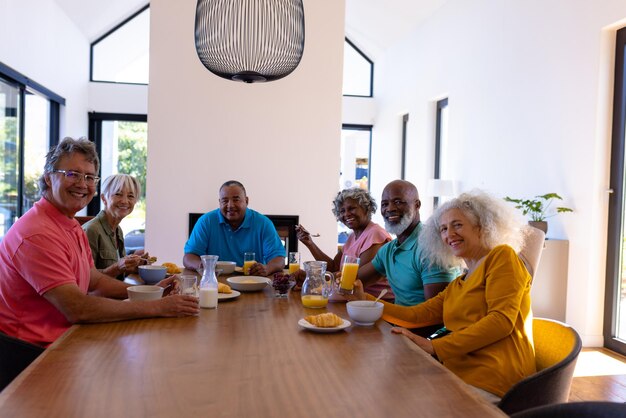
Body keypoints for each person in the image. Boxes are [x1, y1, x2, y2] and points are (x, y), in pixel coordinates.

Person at [0, 137, 199, 348]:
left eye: (89, 177)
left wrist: (150, 293)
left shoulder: (70, 224)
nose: (82, 184)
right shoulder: (36, 233)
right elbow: (77, 308)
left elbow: (94, 280)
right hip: (33, 353)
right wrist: (158, 307)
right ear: (49, 178)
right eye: (72, 174)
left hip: (68, 337)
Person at [353, 190, 536, 401]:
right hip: (457, 373)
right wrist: (363, 300)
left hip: (494, 379)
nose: (449, 234)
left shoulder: (502, 257)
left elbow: (501, 321)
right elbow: (415, 315)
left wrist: (435, 346)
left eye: (458, 225)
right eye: (443, 229)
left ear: (482, 226)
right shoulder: (460, 281)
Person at [356, 180, 457, 306]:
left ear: (417, 205)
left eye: (398, 202)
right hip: (396, 322)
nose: (390, 208)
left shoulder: (431, 248)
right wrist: (338, 277)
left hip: (420, 324)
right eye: (384, 204)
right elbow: (355, 280)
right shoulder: (388, 249)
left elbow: (434, 313)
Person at [296, 187, 393, 299]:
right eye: (342, 211)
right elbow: (333, 267)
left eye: (351, 209)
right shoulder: (353, 236)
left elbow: (354, 280)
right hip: (351, 299)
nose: (346, 214)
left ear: (366, 209)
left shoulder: (376, 235)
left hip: (375, 302)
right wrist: (310, 243)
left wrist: (313, 278)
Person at [183, 180, 285, 276]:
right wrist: (201, 266)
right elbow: (189, 257)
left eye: (236, 200)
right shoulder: (206, 221)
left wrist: (267, 268)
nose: (230, 205)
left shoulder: (263, 223)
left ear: (246, 200)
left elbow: (279, 259)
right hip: (215, 281)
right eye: (225, 201)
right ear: (219, 202)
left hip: (252, 281)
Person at [82, 174, 150, 280]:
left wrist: (134, 266)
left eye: (131, 196)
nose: (125, 201)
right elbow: (86, 278)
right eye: (118, 194)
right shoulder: (91, 230)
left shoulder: (118, 230)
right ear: (104, 198)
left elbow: (118, 275)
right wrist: (118, 267)